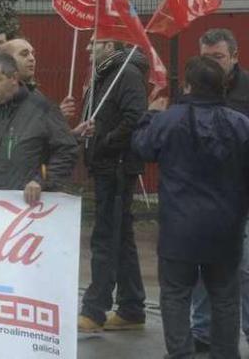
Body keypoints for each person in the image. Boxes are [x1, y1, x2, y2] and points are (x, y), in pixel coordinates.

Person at [133, 56, 249, 359]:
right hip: (226, 226)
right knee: (225, 296)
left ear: (187, 85)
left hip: (179, 227)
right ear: (222, 85)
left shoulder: (168, 119)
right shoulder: (240, 124)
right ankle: (226, 354)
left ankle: (181, 353)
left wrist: (148, 115)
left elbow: (143, 147)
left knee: (175, 295)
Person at [75, 40, 149, 333]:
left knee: (105, 236)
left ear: (109, 44)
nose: (87, 48)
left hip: (116, 167)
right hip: (107, 166)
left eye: (94, 43)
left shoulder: (125, 73)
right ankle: (132, 306)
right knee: (121, 235)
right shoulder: (105, 73)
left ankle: (95, 308)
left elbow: (135, 117)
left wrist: (106, 143)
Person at [191, 28, 249, 350]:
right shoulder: (191, 90)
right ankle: (201, 331)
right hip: (202, 194)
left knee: (244, 268)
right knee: (201, 266)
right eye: (205, 57)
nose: (211, 64)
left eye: (218, 57)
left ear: (234, 57)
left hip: (241, 194)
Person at [0, 53, 77, 205]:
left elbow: (66, 150)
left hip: (29, 209)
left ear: (13, 78)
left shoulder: (43, 109)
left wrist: (41, 180)